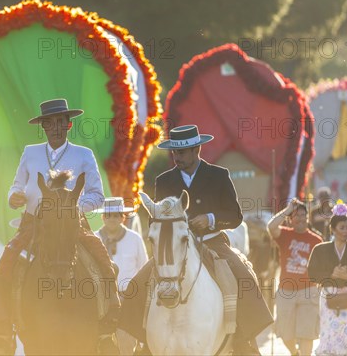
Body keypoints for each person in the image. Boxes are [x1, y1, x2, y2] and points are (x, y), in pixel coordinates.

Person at [120, 125, 273, 355]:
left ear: (196, 150)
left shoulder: (219, 175)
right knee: (137, 284)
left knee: (243, 277)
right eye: (174, 153)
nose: (177, 157)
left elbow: (235, 216)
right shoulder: (164, 180)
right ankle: (144, 341)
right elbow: (156, 220)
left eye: (181, 153)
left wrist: (210, 218)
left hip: (212, 242)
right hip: (174, 246)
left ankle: (243, 340)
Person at [0, 98, 120, 342]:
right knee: (6, 260)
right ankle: (2, 323)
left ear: (68, 126)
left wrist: (71, 208)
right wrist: (14, 197)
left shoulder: (84, 155)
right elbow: (16, 186)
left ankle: (109, 315)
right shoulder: (30, 153)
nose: (55, 128)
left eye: (60, 123)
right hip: (34, 223)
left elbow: (97, 195)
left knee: (103, 259)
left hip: (72, 224)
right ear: (43, 127)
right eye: (49, 123)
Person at [307, 201, 347, 356]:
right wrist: (331, 274)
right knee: (329, 333)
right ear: (333, 229)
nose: (346, 231)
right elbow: (312, 273)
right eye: (342, 227)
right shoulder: (320, 249)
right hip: (329, 295)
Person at [268, 198, 322, 356]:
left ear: (307, 218)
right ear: (290, 219)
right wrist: (287, 209)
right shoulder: (284, 234)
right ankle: (294, 353)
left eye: (303, 215)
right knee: (285, 333)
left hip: (308, 291)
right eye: (296, 215)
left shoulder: (316, 240)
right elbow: (271, 226)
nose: (300, 218)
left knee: (306, 334)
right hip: (286, 291)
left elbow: (321, 267)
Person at [94, 198, 148, 356]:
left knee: (126, 344)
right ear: (103, 217)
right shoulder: (94, 239)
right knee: (101, 344)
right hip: (101, 302)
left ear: (123, 217)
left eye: (116, 215)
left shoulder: (134, 239)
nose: (112, 219)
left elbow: (143, 269)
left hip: (128, 300)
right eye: (108, 215)